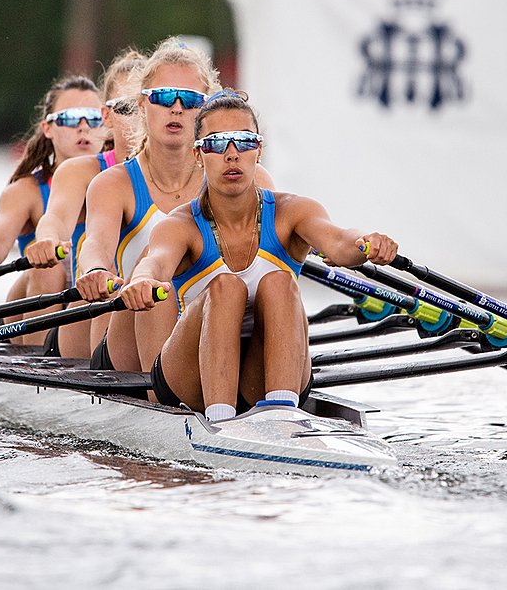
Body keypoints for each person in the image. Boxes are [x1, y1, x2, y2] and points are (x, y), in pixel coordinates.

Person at [119, 90, 399, 420]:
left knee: (279, 283)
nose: (232, 154)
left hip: (260, 375)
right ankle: (221, 421)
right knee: (226, 287)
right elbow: (156, 261)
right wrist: (141, 280)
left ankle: (282, 417)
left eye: (243, 141)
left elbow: (339, 241)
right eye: (217, 143)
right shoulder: (179, 224)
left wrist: (365, 242)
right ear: (198, 155)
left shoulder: (293, 211)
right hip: (191, 376)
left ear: (259, 150)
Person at [75, 37, 274, 374]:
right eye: (165, 97)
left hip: (212, 330)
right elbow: (96, 243)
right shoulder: (114, 184)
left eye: (191, 100)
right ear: (141, 105)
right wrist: (94, 271)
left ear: (206, 109)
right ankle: (168, 398)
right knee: (157, 264)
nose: (177, 108)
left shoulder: (251, 179)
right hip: (127, 350)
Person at [0, 75, 105, 345]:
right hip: (34, 304)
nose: (83, 128)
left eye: (94, 118)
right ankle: (39, 365)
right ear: (48, 128)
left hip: (88, 308)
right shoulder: (26, 191)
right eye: (71, 119)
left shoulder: (121, 181)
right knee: (49, 269)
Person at [24, 49, 147, 358]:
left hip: (155, 310)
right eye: (126, 108)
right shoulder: (82, 172)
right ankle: (36, 367)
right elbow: (55, 218)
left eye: (144, 105)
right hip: (91, 316)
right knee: (46, 269)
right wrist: (48, 240)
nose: (138, 119)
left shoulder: (196, 173)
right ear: (106, 117)